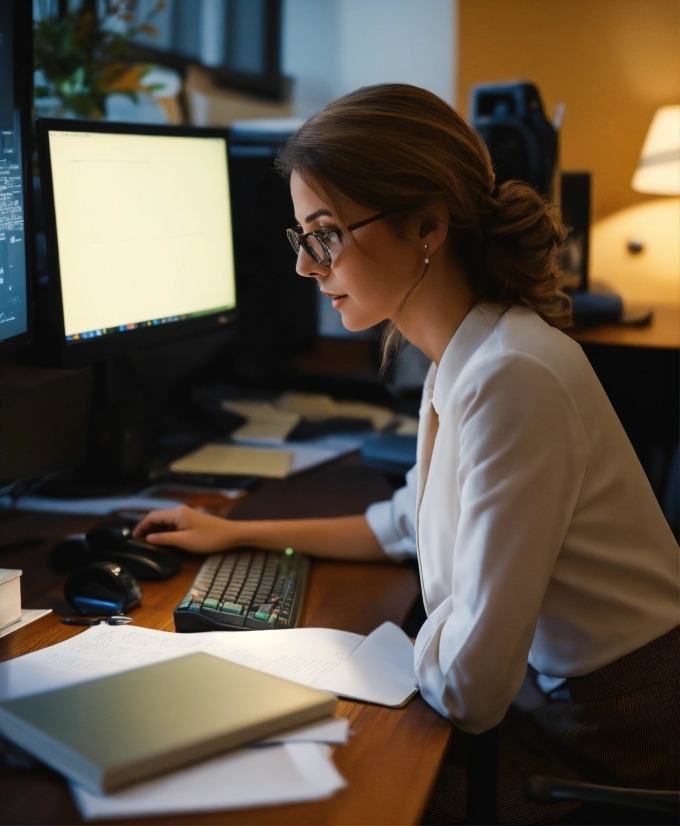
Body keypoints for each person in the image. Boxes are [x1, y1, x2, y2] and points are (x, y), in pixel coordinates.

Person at [135, 85, 679, 822]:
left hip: (619, 733)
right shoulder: (471, 353)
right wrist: (237, 535)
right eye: (302, 238)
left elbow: (470, 690)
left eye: (324, 234)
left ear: (428, 225)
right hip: (559, 698)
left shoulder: (510, 376)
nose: (306, 267)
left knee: (340, 795)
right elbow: (403, 524)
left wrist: (367, 652)